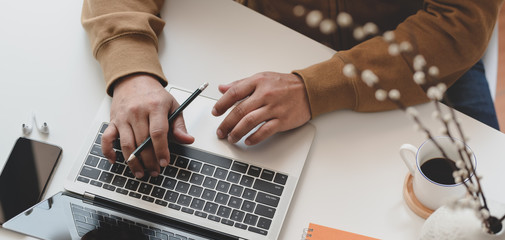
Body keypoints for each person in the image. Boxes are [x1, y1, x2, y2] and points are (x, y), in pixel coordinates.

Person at [81, 0, 503, 178]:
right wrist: (132, 70)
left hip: (412, 56)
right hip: (259, 38)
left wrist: (315, 87)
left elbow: (461, 21)